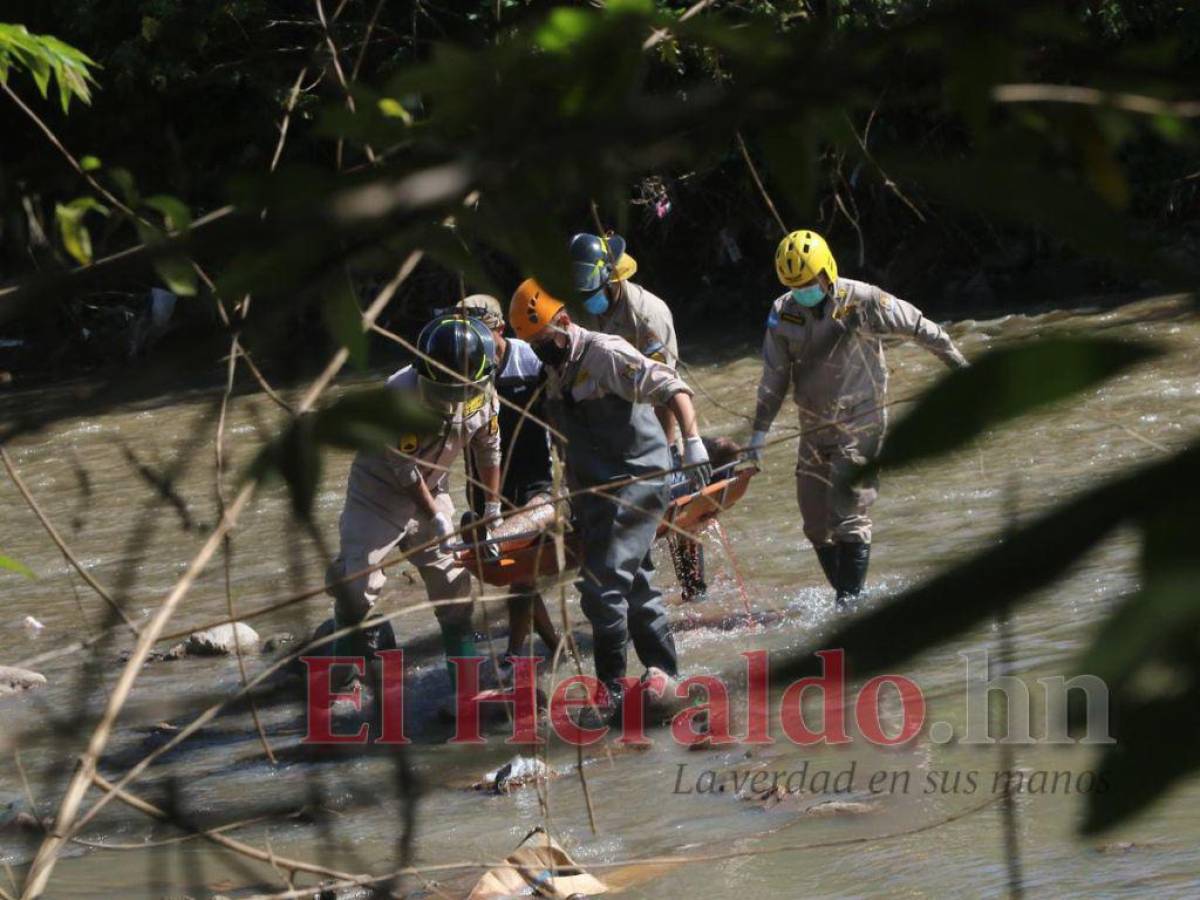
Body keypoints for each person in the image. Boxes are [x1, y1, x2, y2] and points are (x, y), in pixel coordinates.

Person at [508, 277, 711, 724]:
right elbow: (564, 441)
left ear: (564, 321)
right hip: (594, 492)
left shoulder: (604, 353)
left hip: (638, 479)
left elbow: (669, 385)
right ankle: (663, 675)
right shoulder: (554, 371)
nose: (541, 350)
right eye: (533, 345)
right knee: (634, 585)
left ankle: (610, 691)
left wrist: (692, 441)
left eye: (544, 341)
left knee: (603, 589)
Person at [748, 229, 968, 610]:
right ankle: (852, 598)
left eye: (808, 283)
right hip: (813, 426)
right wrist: (757, 436)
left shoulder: (864, 301)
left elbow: (920, 327)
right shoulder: (783, 313)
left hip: (860, 421)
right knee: (816, 523)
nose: (803, 292)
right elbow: (774, 377)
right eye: (795, 286)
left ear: (826, 272)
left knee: (848, 515)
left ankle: (846, 608)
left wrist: (960, 368)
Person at [325, 314, 502, 693]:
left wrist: (492, 509)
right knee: (359, 585)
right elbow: (403, 468)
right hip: (377, 493)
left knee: (453, 584)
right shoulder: (398, 395)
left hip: (434, 487)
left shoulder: (484, 392)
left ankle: (466, 684)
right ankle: (341, 672)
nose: (452, 399)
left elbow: (489, 450)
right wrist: (435, 516)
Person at [569, 231, 707, 603]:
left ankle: (694, 589)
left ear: (611, 279)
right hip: (613, 422)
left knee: (678, 503)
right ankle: (633, 591)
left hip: (656, 413)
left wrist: (671, 451)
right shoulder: (581, 308)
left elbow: (666, 389)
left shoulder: (648, 315)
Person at [457, 294, 561, 665]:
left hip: (533, 479)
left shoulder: (529, 360)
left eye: (479, 332)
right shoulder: (460, 366)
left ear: (499, 328)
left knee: (521, 572)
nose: (470, 342)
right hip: (485, 486)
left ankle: (516, 654)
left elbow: (558, 408)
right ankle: (551, 648)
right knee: (520, 574)